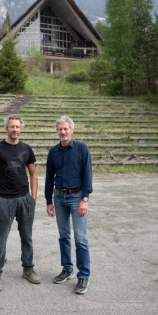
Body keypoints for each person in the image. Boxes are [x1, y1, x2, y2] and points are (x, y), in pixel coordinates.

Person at [0, 114, 40, 292]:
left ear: (21, 128)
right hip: (5, 200)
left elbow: (33, 173)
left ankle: (28, 268)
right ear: (6, 128)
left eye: (17, 127)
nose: (15, 130)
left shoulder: (27, 149)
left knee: (27, 236)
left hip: (24, 199)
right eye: (12, 127)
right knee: (0, 238)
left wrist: (33, 197)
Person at [45, 115, 92, 294]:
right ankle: (67, 269)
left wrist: (85, 199)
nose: (63, 132)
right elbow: (50, 178)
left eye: (66, 129)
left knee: (80, 239)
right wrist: (49, 201)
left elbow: (88, 174)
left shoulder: (81, 148)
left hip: (77, 197)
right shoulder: (53, 152)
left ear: (71, 130)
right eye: (60, 129)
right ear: (57, 132)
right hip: (59, 198)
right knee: (63, 235)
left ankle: (84, 275)